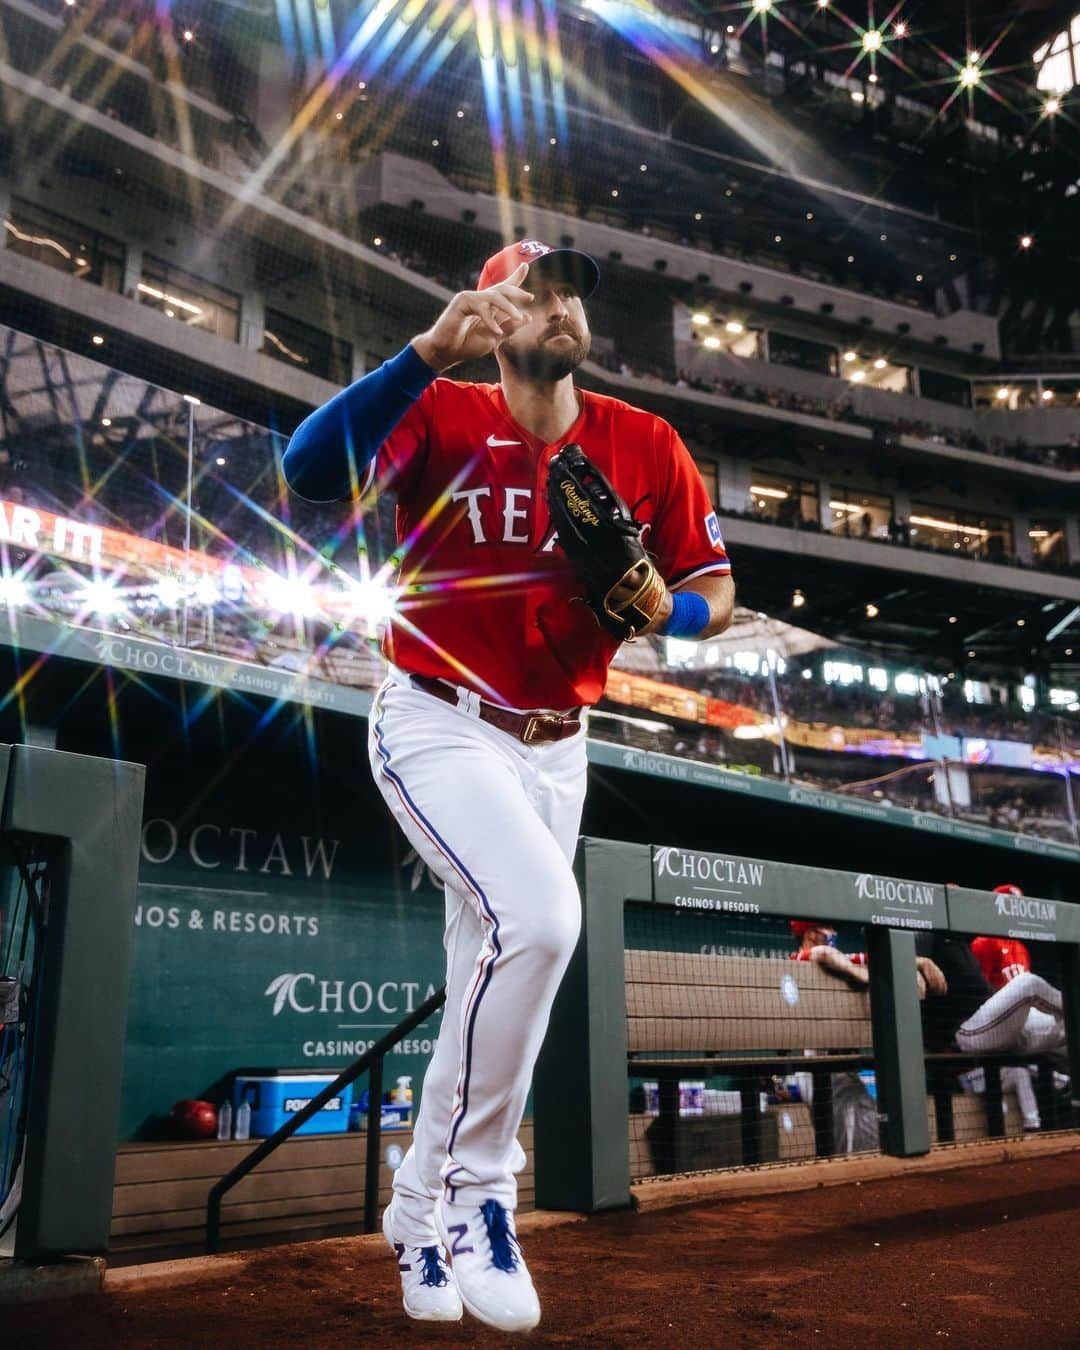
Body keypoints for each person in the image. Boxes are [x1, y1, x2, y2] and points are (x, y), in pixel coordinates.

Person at [282, 240, 734, 1330]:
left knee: (494, 975)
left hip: (557, 744)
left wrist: (663, 611)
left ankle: (412, 1209)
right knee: (539, 921)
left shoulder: (643, 440)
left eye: (571, 291)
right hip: (439, 720)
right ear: (494, 313)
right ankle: (485, 1195)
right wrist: (427, 353)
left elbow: (714, 588)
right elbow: (308, 472)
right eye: (535, 292)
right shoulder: (440, 415)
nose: (562, 307)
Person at [919, 931, 1065, 1132]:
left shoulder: (964, 943)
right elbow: (879, 956)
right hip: (966, 1034)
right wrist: (917, 962)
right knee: (1028, 984)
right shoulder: (930, 937)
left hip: (998, 1027)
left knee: (1065, 1027)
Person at [970, 885, 1033, 990]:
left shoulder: (1021, 947)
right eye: (1010, 907)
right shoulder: (984, 943)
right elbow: (979, 990)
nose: (1015, 912)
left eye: (1018, 908)